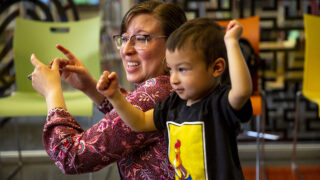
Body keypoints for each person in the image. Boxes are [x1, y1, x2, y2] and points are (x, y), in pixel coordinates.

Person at [30, 1, 187, 179]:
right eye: (125, 38)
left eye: (142, 39)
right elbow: (132, 114)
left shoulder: (156, 90)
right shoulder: (172, 86)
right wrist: (89, 86)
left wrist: (52, 93)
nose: (126, 50)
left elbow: (70, 155)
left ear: (174, 44)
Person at [96, 18, 253, 180]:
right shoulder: (172, 104)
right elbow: (139, 121)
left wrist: (231, 42)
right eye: (171, 69)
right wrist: (115, 97)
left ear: (216, 67)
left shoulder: (220, 103)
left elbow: (242, 92)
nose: (174, 79)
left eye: (182, 69)